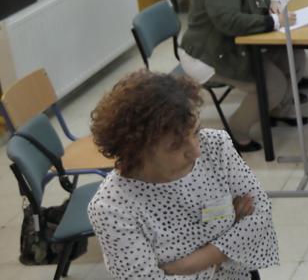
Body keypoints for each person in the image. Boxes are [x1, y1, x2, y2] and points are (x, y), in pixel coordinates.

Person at [87, 71, 278, 279]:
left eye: (195, 131)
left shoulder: (214, 145)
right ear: (137, 150)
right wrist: (229, 243)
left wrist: (189, 264)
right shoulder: (112, 208)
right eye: (176, 146)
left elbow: (260, 216)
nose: (196, 151)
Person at [180, 0, 298, 153]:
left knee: (291, 56)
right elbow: (230, 22)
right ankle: (236, 131)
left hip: (231, 46)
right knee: (272, 86)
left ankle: (276, 110)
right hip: (208, 56)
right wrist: (273, 22)